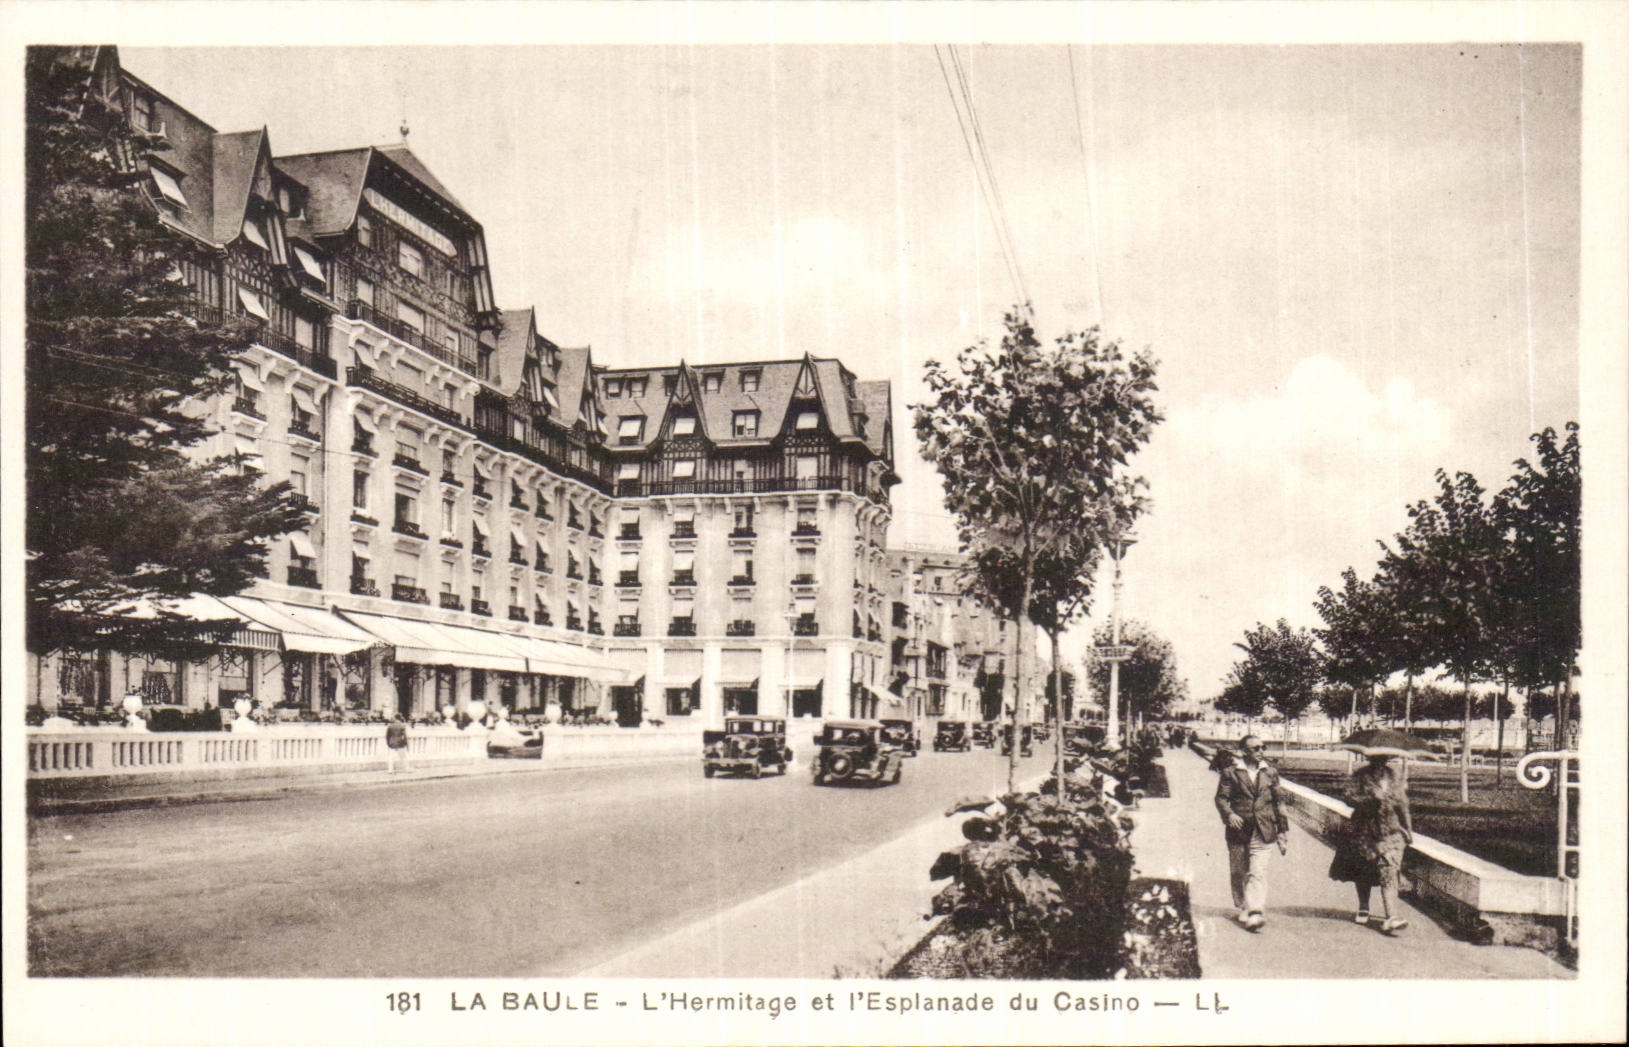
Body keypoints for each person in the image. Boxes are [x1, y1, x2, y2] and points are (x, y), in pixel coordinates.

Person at [1329, 754, 1414, 935]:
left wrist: (1408, 828)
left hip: (1390, 831)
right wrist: (1369, 799)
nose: (1380, 762)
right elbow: (1347, 796)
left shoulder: (1394, 776)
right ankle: (1364, 906)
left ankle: (1391, 916)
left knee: (1389, 870)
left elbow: (1403, 804)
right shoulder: (1360, 775)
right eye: (1376, 758)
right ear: (1370, 758)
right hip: (1364, 830)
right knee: (1364, 871)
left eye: (1384, 759)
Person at [1213, 734, 1290, 931]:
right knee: (1239, 871)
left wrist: (1282, 831)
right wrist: (1229, 815)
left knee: (1258, 871)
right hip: (1239, 830)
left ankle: (1255, 910)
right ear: (1244, 751)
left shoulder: (1270, 773)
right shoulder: (1231, 773)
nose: (1261, 751)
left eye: (1262, 747)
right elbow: (1221, 798)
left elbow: (1279, 802)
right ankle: (1242, 905)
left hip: (1264, 829)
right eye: (1255, 748)